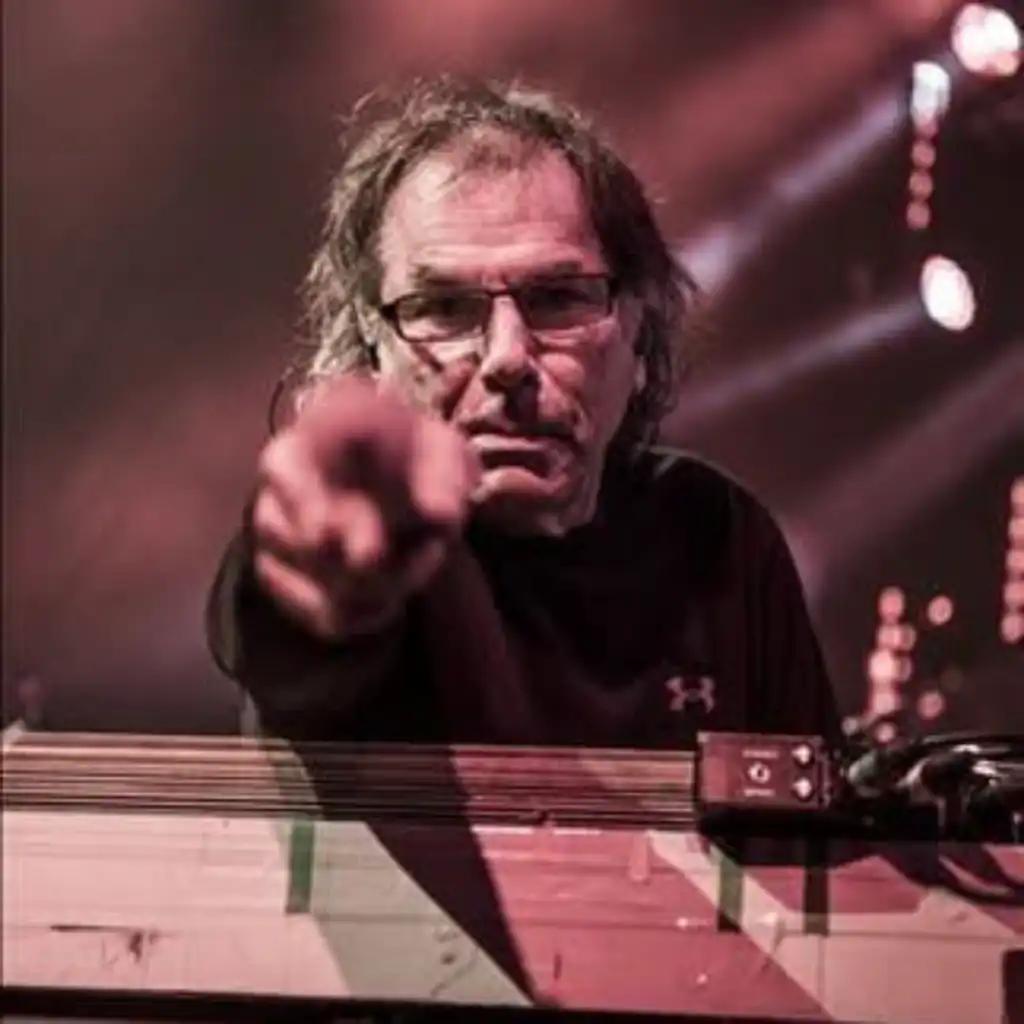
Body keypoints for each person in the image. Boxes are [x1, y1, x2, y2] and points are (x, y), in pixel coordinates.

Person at [206, 76, 840, 750]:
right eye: (444, 308)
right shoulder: (369, 535)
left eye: (558, 298)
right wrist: (327, 563)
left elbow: (812, 810)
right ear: (373, 349)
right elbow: (297, 632)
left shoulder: (717, 533)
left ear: (639, 332)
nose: (507, 356)